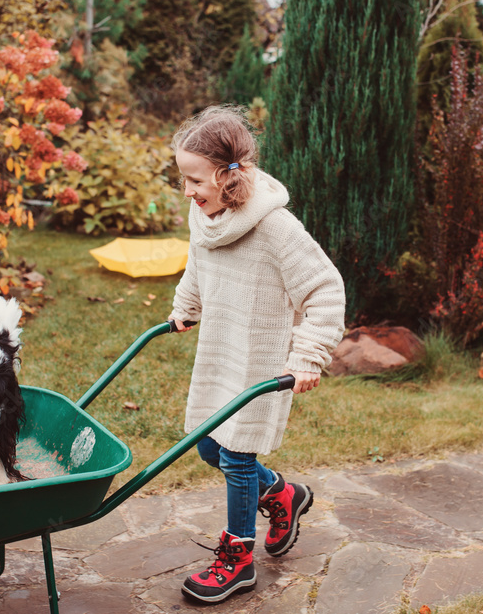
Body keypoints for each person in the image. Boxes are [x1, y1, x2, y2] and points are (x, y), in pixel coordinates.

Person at [167, 105, 346, 604]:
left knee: (238, 458)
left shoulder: (276, 229)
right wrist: (187, 306)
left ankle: (238, 560)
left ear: (229, 176)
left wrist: (308, 356)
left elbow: (326, 291)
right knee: (208, 446)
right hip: (221, 349)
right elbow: (197, 263)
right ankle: (282, 493)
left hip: (261, 361)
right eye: (183, 179)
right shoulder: (203, 216)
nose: (187, 191)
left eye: (195, 180)